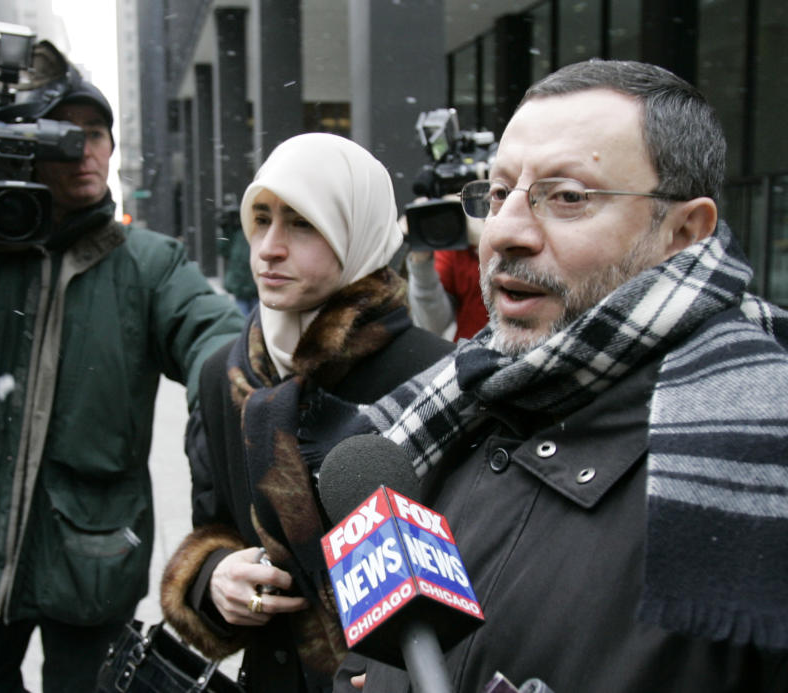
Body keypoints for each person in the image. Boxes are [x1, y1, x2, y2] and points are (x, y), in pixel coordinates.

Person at [331, 59, 788, 691]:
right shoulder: (457, 404)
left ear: (684, 231)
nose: (505, 232)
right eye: (497, 194)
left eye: (568, 197)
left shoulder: (763, 454)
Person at [0, 46, 244, 693]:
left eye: (98, 135)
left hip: (94, 562)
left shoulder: (148, 263)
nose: (88, 152)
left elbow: (216, 338)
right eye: (69, 136)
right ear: (28, 147)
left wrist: (242, 393)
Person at [159, 132, 454, 692]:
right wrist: (212, 579)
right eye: (261, 218)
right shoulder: (227, 373)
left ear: (356, 232)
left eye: (301, 223)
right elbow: (215, 523)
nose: (268, 247)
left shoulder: (434, 375)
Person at [404, 208, 488, 340]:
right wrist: (421, 261)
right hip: (469, 350)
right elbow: (433, 325)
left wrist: (484, 241)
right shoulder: (460, 239)